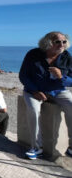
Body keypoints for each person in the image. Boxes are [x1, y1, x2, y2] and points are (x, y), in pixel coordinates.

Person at [19, 31, 72, 160]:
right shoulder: (33, 54)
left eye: (64, 42)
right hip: (33, 91)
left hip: (58, 90)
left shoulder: (67, 57)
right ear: (48, 43)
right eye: (57, 42)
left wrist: (61, 76)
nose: (61, 45)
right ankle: (37, 147)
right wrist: (35, 91)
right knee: (33, 110)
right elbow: (23, 76)